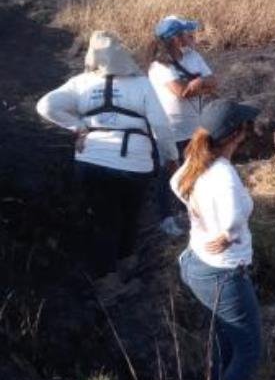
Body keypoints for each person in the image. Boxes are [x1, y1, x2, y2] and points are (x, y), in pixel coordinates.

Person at [36, 31, 177, 278]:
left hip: (91, 160)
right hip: (134, 163)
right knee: (130, 215)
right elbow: (162, 126)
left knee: (102, 220)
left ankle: (104, 277)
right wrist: (170, 156)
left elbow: (45, 106)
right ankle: (125, 263)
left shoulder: (80, 83)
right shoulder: (141, 83)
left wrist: (78, 126)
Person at [171, 99, 261, 380]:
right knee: (250, 351)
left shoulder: (196, 160)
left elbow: (175, 184)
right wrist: (228, 232)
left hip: (197, 263)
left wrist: (206, 222)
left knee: (223, 341)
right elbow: (236, 214)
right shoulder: (223, 174)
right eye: (245, 127)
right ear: (236, 134)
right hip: (223, 273)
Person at [149, 16, 217, 237]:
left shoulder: (193, 56)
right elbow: (180, 92)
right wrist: (198, 83)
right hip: (169, 130)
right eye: (187, 33)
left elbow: (215, 82)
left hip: (194, 127)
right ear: (176, 39)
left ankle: (191, 214)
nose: (192, 36)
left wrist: (198, 85)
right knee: (168, 175)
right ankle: (166, 219)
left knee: (195, 171)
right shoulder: (159, 65)